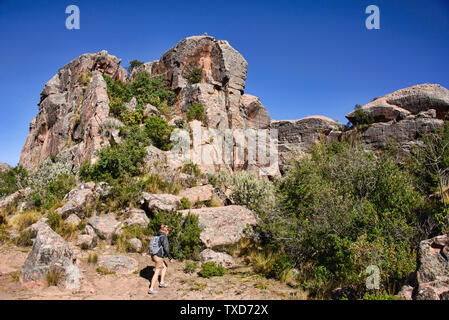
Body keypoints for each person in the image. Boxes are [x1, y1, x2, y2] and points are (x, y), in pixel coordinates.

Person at [148, 224, 173, 294]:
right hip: (158, 256)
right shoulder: (163, 237)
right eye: (168, 231)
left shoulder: (156, 236)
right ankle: (151, 289)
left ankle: (161, 282)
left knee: (164, 266)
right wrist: (170, 257)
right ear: (166, 231)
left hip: (153, 255)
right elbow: (166, 248)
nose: (168, 233)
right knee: (157, 272)